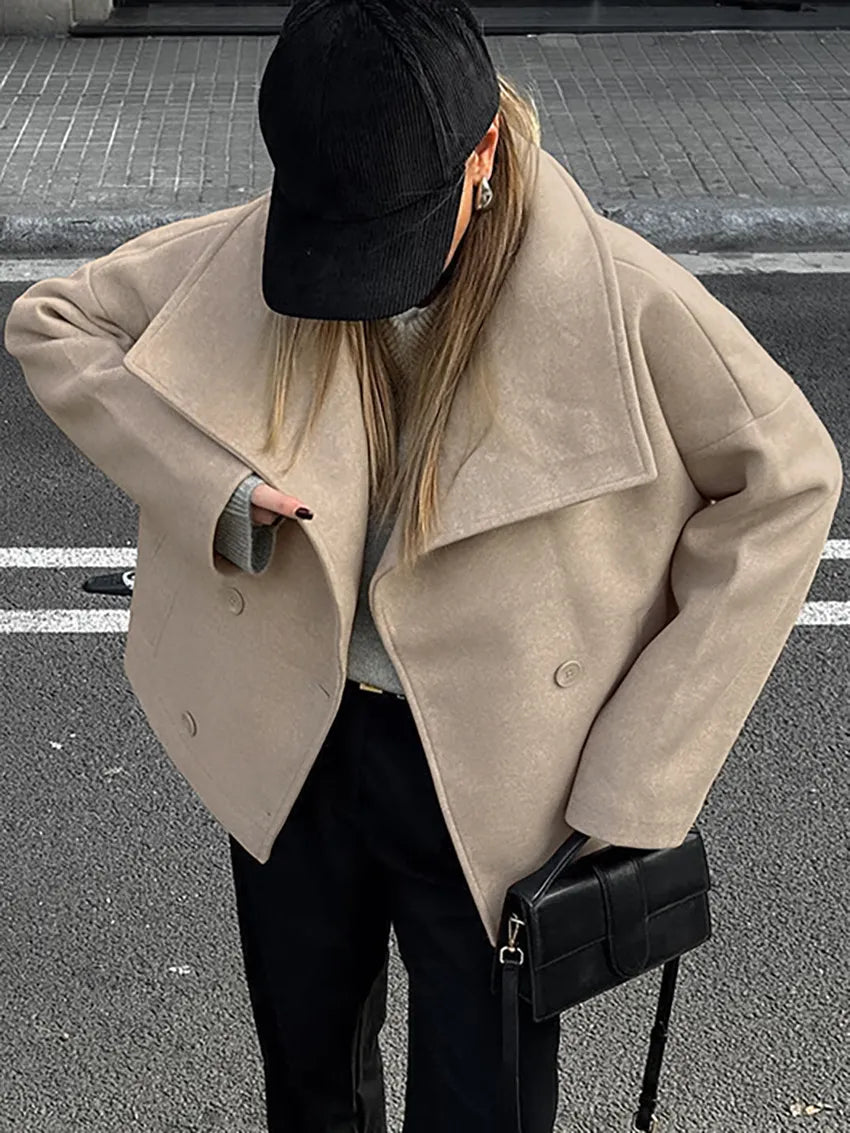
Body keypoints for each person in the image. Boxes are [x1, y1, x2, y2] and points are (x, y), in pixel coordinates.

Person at [4, 0, 842, 1130]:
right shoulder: (264, 236)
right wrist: (211, 490)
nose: (363, 275)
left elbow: (787, 483)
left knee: (481, 1099)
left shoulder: (626, 295)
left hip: (495, 772)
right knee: (308, 1081)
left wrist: (638, 772)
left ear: (481, 154)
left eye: (390, 235)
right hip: (296, 739)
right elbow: (54, 320)